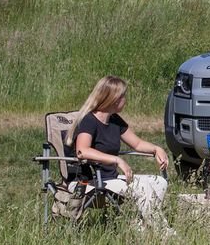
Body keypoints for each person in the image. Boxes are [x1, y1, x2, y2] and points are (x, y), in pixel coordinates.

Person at [65, 75, 172, 232]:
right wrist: (117, 160)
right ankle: (162, 232)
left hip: (109, 179)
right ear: (113, 99)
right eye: (123, 96)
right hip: (89, 181)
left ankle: (140, 225)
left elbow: (137, 143)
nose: (125, 100)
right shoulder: (89, 121)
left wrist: (157, 148)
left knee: (159, 182)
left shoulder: (114, 120)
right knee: (142, 188)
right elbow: (82, 151)